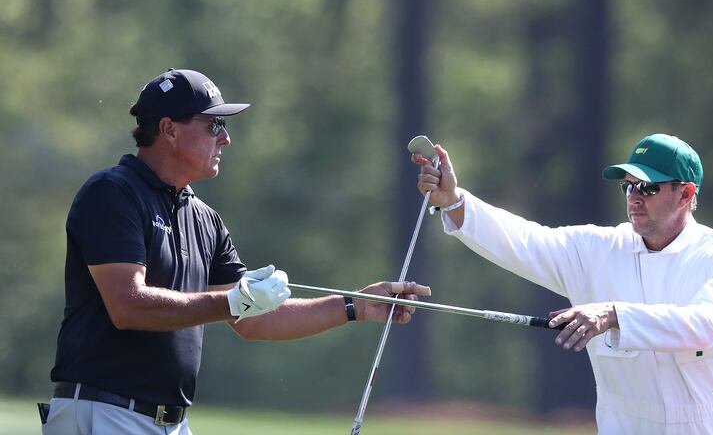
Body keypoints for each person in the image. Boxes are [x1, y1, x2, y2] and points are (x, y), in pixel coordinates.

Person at [41, 68, 429, 435]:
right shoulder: (113, 193)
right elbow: (128, 305)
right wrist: (233, 302)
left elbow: (254, 320)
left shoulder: (204, 219)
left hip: (169, 422)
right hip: (104, 412)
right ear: (169, 130)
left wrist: (355, 305)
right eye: (214, 125)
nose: (225, 138)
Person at [412, 133, 713, 434]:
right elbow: (522, 241)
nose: (635, 196)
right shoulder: (597, 248)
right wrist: (453, 202)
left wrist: (612, 314)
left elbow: (703, 326)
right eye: (629, 186)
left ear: (686, 194)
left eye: (649, 187)